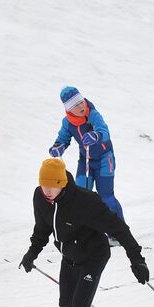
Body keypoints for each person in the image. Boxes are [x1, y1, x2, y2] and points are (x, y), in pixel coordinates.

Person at [19, 159, 150, 307]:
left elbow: (119, 228)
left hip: (93, 256)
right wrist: (32, 253)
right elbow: (42, 229)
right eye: (43, 185)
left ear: (62, 183)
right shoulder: (40, 197)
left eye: (52, 185)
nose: (47, 190)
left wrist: (137, 260)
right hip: (70, 255)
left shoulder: (85, 201)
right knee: (65, 304)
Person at [48, 85, 125, 224]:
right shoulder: (67, 122)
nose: (81, 106)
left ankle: (118, 233)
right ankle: (85, 233)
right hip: (86, 160)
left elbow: (104, 132)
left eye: (81, 101)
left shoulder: (93, 115)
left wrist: (96, 135)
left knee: (106, 197)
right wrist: (58, 147)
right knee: (80, 196)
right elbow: (62, 139)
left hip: (104, 159)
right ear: (69, 109)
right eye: (75, 104)